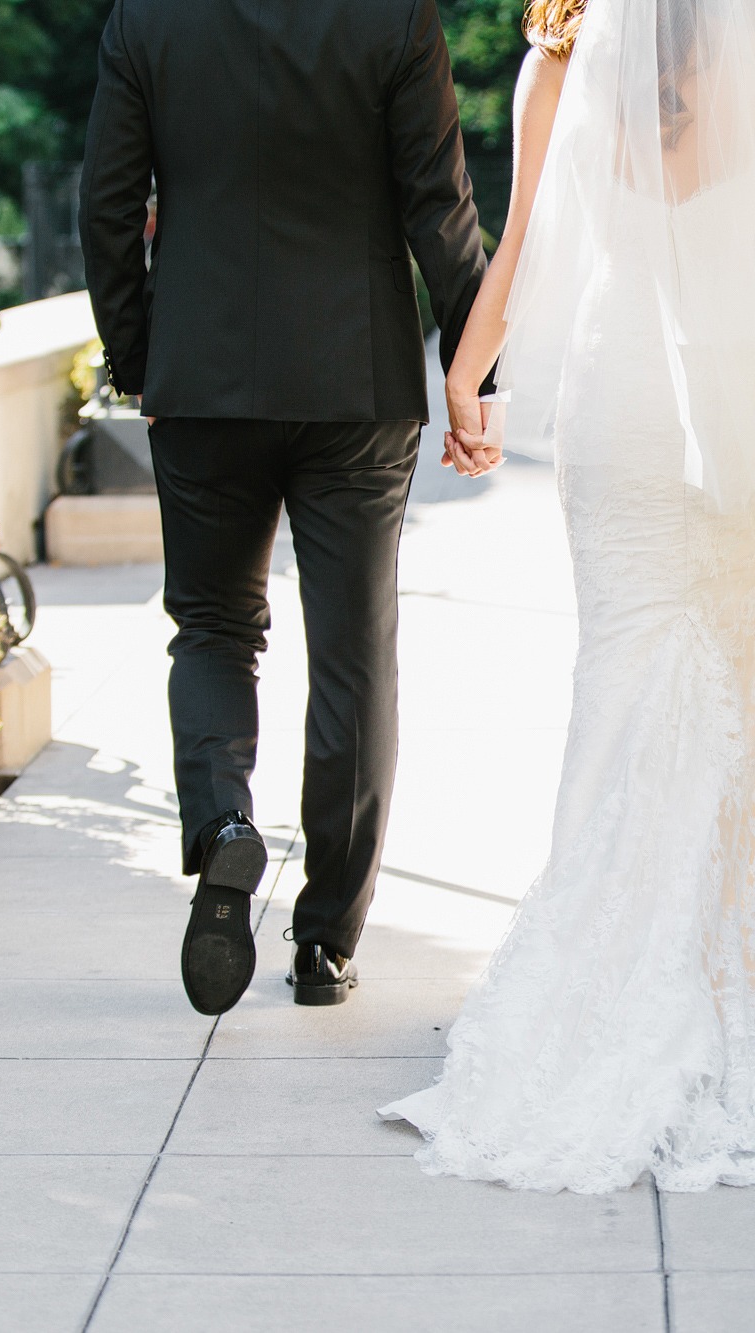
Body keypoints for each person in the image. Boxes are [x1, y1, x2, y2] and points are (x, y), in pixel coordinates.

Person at [376, 0, 755, 1192]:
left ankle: (610, 951)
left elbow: (517, 253)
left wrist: (463, 382)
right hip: (744, 401)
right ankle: (735, 956)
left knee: (622, 666)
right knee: (734, 658)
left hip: (620, 409)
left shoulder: (556, 68)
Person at [78, 0, 501, 1016]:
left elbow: (103, 207)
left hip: (201, 372)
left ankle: (223, 825)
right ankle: (324, 942)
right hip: (354, 380)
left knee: (214, 627)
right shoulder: (396, 20)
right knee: (353, 652)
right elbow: (436, 204)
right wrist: (476, 369)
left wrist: (143, 358)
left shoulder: (147, 22)